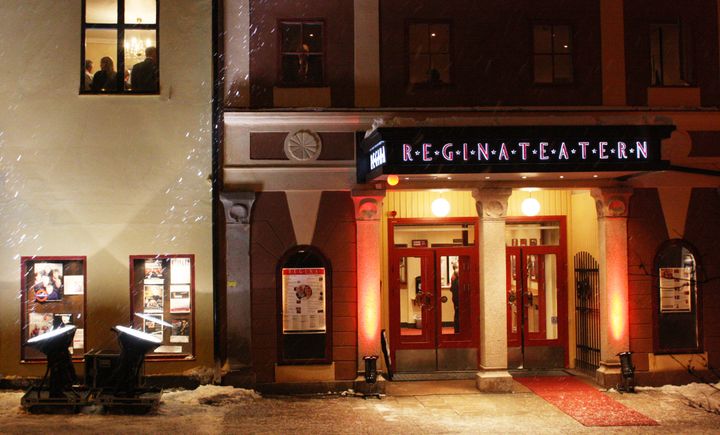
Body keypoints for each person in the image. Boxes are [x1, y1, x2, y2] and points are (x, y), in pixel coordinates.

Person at [450, 263, 460, 332]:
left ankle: (457, 330)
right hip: (457, 298)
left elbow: (451, 289)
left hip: (455, 298)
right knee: (457, 313)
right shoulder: (455, 274)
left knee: (457, 313)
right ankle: (457, 330)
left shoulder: (453, 275)